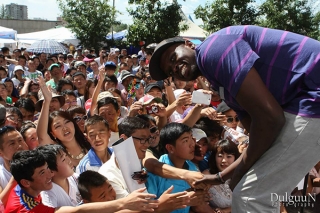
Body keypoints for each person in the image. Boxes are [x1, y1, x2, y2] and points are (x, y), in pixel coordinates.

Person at [149, 25, 320, 212]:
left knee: (250, 197)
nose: (175, 67)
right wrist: (219, 178)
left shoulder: (212, 50)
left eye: (174, 58)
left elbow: (270, 120)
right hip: (306, 97)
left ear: (188, 44)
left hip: (312, 92)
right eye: (171, 71)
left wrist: (236, 174)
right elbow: (260, 138)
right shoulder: (221, 85)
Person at [6, 149, 159, 213]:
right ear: (26, 182)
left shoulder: (25, 187)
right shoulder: (25, 209)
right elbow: (74, 211)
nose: (50, 174)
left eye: (47, 168)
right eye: (41, 173)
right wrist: (123, 203)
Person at [146, 122, 210, 213]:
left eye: (191, 138)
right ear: (170, 148)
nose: (192, 144)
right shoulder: (155, 173)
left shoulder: (192, 168)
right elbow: (147, 209)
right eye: (185, 141)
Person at [204, 139, 240, 213]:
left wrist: (226, 210)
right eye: (220, 156)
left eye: (229, 156)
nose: (224, 160)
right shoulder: (206, 176)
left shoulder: (240, 175)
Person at [0, 126, 28, 193]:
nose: (19, 146)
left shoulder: (39, 164)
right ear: (0, 152)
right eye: (12, 143)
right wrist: (16, 177)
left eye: (20, 140)